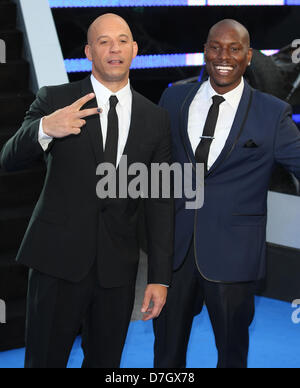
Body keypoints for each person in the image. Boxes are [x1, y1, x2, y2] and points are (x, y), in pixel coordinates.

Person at [0, 13, 173, 368]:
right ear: (89, 52)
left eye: (123, 40)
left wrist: (159, 277)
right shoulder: (56, 99)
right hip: (55, 262)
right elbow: (8, 158)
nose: (114, 49)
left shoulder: (155, 118)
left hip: (118, 271)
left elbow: (160, 201)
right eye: (104, 41)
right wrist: (45, 128)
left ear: (135, 50)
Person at [153, 19, 300, 368]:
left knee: (231, 354)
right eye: (216, 47)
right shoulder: (174, 98)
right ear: (205, 51)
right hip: (174, 254)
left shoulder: (272, 112)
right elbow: (154, 165)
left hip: (234, 257)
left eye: (234, 49)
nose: (224, 56)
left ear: (248, 57)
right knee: (165, 354)